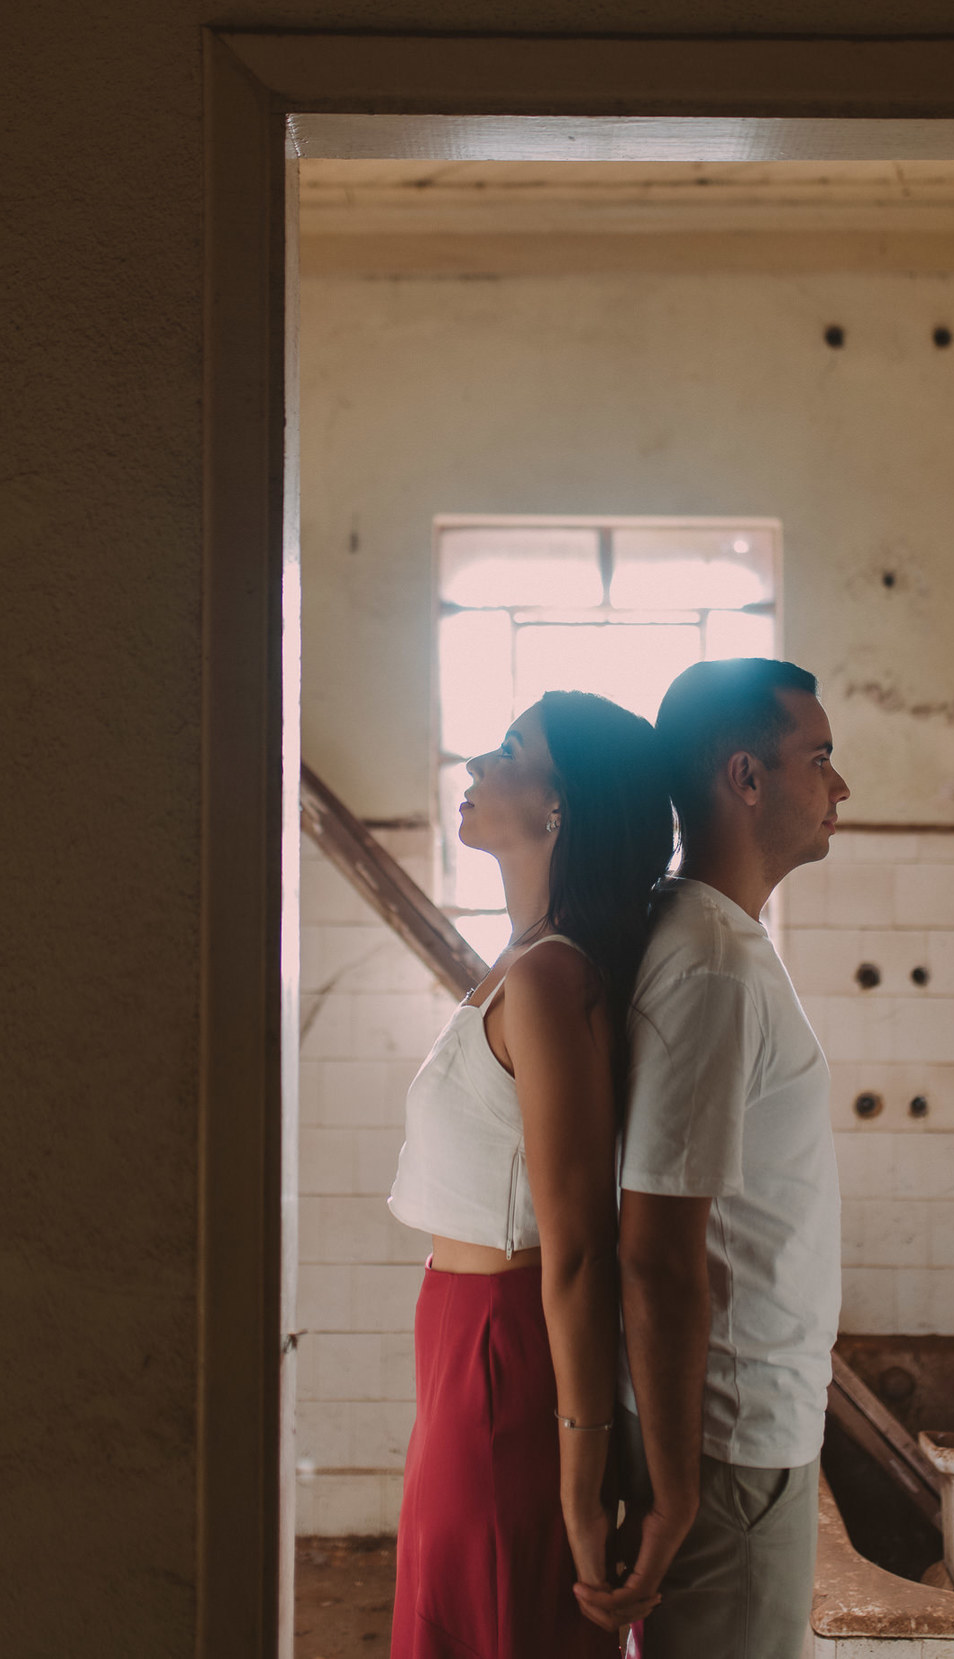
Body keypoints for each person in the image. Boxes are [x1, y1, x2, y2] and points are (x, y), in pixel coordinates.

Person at [387, 689, 673, 1659]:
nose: (477, 763)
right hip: (462, 1334)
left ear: (561, 804)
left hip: (505, 1349)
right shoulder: (526, 959)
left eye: (509, 749)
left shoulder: (553, 976)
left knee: (499, 1616)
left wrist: (581, 1483)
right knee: (464, 1607)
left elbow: (581, 1247)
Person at [575, 658, 849, 1658]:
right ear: (746, 777)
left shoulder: (703, 934)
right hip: (731, 1440)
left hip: (731, 1428)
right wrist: (680, 1488)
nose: (840, 785)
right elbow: (656, 1249)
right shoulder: (715, 965)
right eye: (819, 758)